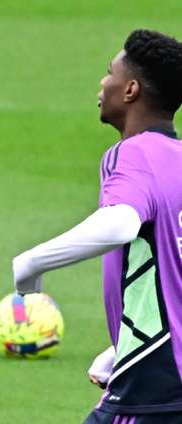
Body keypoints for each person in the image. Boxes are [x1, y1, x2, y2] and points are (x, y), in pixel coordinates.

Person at [12, 29, 182, 423]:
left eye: (110, 73)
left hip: (155, 380)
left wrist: (31, 264)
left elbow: (120, 224)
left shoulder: (132, 155)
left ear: (131, 90)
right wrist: (122, 345)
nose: (103, 83)